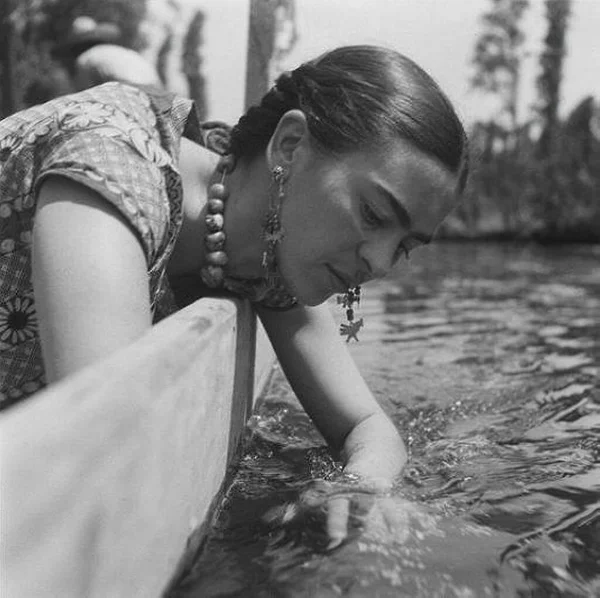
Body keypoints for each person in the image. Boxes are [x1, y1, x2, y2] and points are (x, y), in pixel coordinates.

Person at [0, 45, 468, 546]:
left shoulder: (266, 260)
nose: (377, 263)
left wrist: (357, 488)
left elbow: (369, 426)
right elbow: (111, 448)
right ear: (290, 146)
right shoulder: (112, 163)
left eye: (405, 247)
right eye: (373, 215)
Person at [52, 16, 162, 91]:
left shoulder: (85, 59)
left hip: (132, 91)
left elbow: (86, 95)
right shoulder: (121, 52)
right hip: (156, 89)